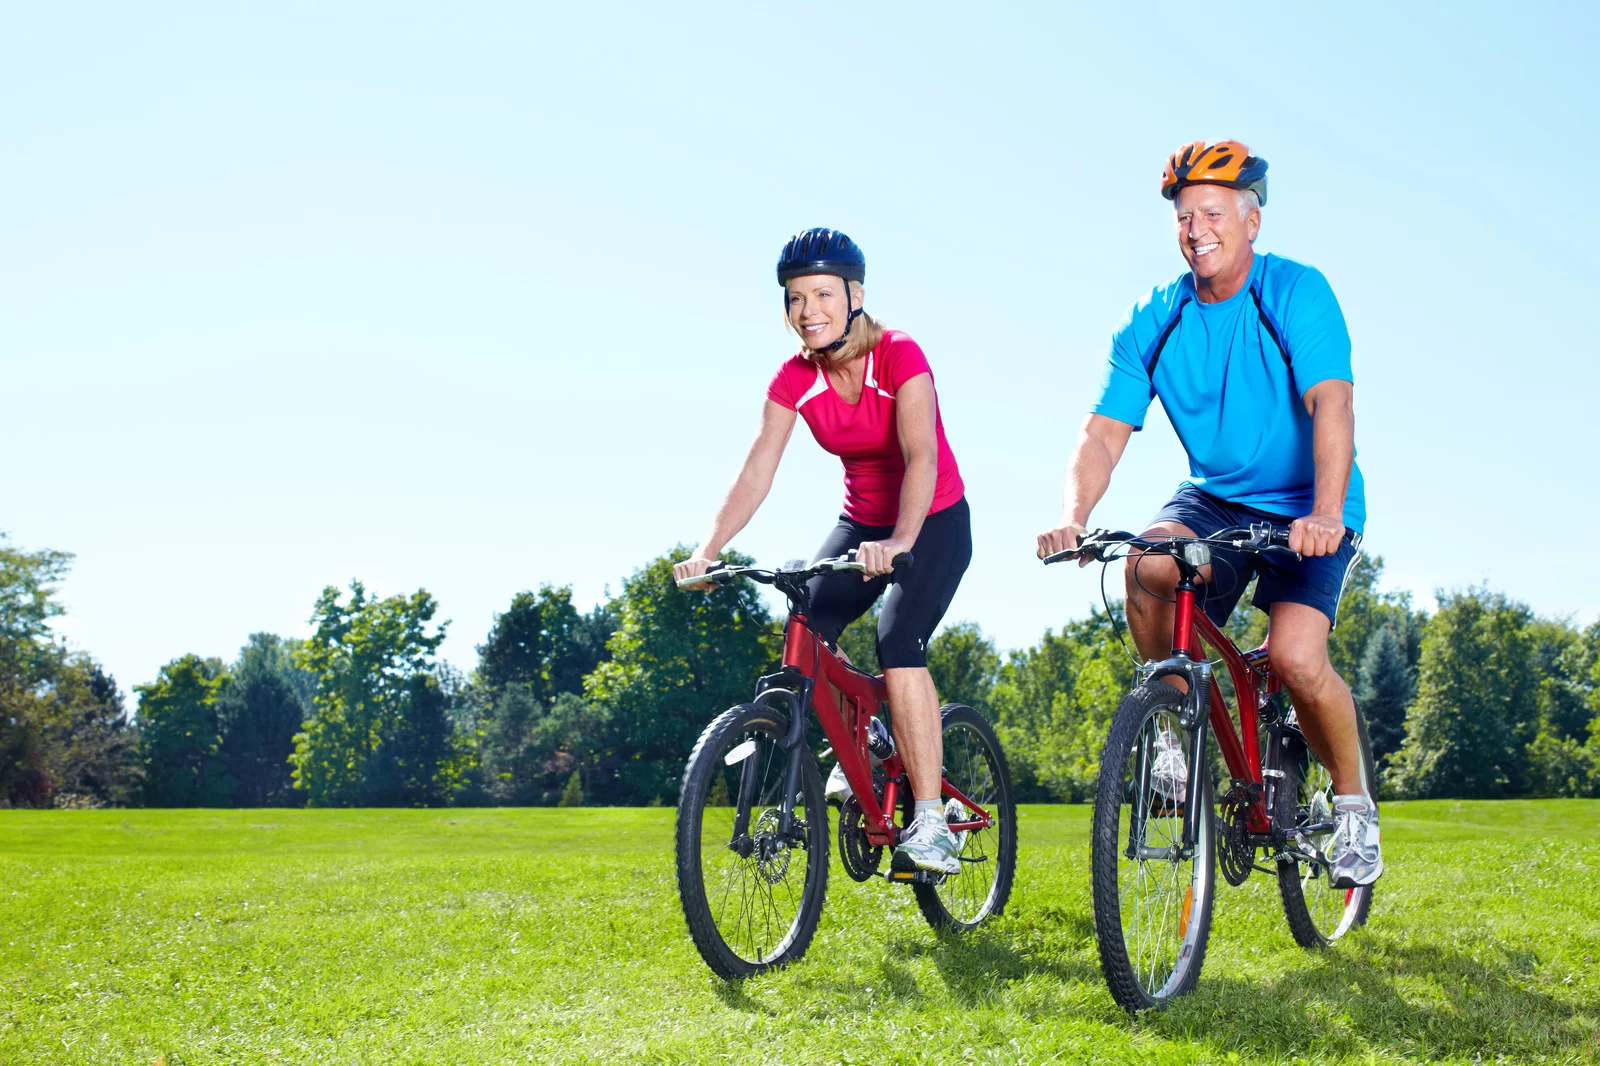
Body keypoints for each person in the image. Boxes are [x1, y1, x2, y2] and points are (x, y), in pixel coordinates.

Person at [1035, 142, 1381, 888]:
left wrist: (1323, 512)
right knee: (1149, 562)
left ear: (1252, 221)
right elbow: (1102, 431)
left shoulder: (1296, 292)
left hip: (1307, 502)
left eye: (1214, 213)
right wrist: (1072, 515)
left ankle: (1353, 806)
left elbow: (1332, 403)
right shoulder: (1154, 318)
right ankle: (1174, 730)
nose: (1197, 230)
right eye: (1184, 216)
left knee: (1293, 658)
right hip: (1215, 494)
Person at [673, 227, 973, 876]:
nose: (808, 311)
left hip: (934, 520)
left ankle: (928, 820)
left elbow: (922, 456)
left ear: (854, 294)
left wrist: (900, 542)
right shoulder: (794, 379)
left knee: (899, 639)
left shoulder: (900, 356)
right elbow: (757, 470)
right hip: (861, 522)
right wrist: (709, 550)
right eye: (795, 298)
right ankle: (865, 741)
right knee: (808, 622)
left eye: (822, 294)